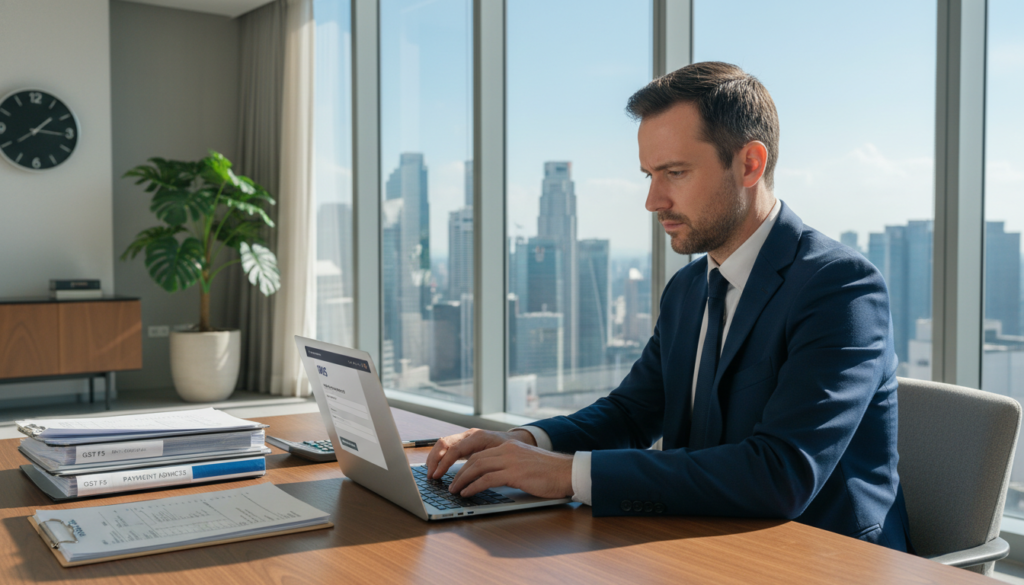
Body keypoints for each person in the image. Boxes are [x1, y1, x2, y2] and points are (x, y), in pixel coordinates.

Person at [427, 61, 911, 551]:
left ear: (750, 163)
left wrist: (568, 474)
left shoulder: (839, 287)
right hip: (699, 541)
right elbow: (632, 413)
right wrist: (526, 444)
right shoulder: (689, 288)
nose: (653, 200)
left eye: (675, 173)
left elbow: (780, 474)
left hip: (820, 559)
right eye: (649, 175)